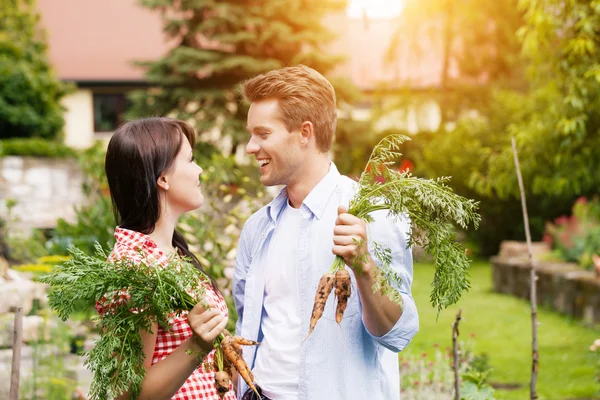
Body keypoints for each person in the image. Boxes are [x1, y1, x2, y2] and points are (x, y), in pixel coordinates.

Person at [233, 65, 419, 400]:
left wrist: (364, 268)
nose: (250, 146)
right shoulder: (257, 229)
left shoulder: (370, 214)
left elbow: (398, 332)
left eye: (263, 134)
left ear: (305, 133)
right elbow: (247, 327)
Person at [102, 117, 231, 400]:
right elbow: (127, 392)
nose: (200, 170)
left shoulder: (172, 254)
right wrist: (196, 346)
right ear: (163, 178)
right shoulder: (135, 267)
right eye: (191, 160)